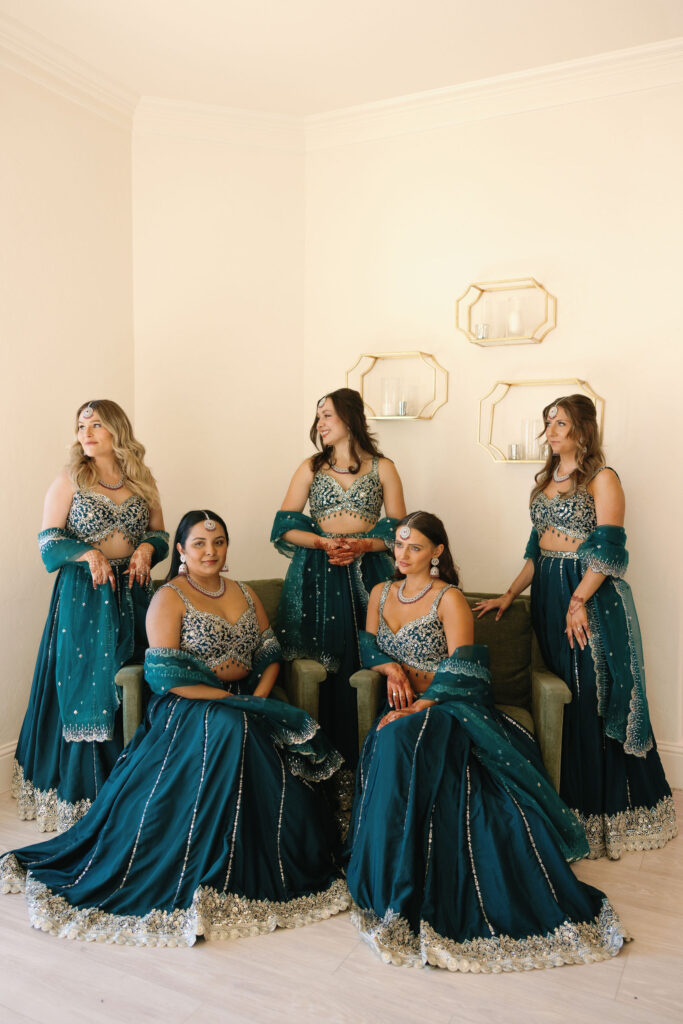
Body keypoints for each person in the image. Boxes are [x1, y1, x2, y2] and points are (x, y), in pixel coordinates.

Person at [0, 510, 349, 946]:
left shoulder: (244, 592)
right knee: (229, 729)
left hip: (247, 699)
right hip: (189, 704)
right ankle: (204, 860)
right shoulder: (169, 596)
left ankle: (261, 852)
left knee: (249, 727)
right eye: (199, 543)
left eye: (218, 542)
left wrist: (258, 699)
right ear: (181, 550)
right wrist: (235, 702)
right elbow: (166, 676)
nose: (210, 551)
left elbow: (270, 652)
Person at [345, 511, 629, 972]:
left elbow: (465, 670)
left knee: (401, 739)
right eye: (398, 545)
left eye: (414, 547)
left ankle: (422, 882)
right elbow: (369, 647)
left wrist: (424, 703)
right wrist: (389, 669)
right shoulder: (379, 593)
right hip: (403, 707)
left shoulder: (449, 598)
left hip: (447, 706)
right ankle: (388, 872)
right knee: (389, 738)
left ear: (437, 552)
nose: (402, 555)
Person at [475, 395, 677, 859]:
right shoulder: (545, 481)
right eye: (547, 422)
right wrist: (511, 593)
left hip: (588, 595)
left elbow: (609, 549)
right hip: (549, 592)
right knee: (564, 690)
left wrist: (579, 600)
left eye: (560, 422)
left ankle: (607, 812)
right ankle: (569, 805)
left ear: (583, 430)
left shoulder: (603, 479)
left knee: (592, 695)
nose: (551, 430)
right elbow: (536, 549)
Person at [11, 399, 168, 833]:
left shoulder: (143, 481)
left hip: (133, 593)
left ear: (117, 430)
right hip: (85, 596)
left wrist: (147, 547)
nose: (87, 432)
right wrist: (87, 552)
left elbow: (160, 532)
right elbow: (48, 543)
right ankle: (87, 794)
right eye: (82, 425)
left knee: (138, 675)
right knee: (90, 681)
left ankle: (140, 781)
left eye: (96, 424)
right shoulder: (70, 480)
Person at [271, 388, 406, 769]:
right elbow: (284, 526)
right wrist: (320, 542)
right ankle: (322, 763)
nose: (320, 424)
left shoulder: (383, 467)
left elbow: (400, 530)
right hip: (318, 573)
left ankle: (371, 758)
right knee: (321, 667)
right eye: (318, 418)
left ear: (349, 417)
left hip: (369, 571)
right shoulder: (310, 468)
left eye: (327, 415)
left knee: (370, 658)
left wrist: (362, 545)